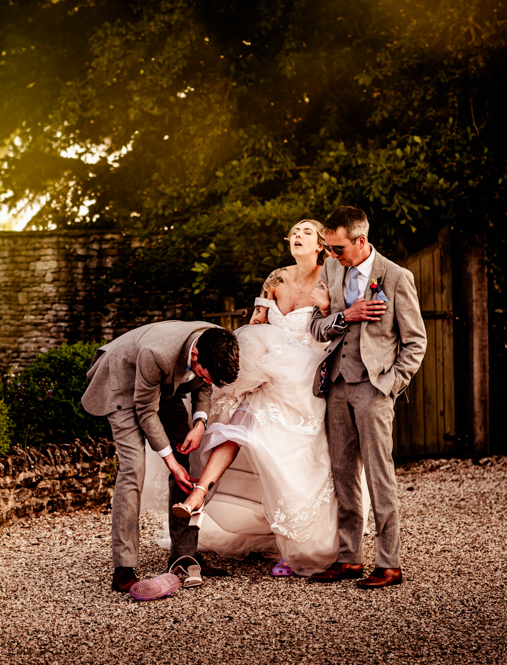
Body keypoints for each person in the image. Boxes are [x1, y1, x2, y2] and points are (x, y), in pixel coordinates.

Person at [155, 219, 368, 577]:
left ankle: (295, 545)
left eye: (305, 233)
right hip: (267, 373)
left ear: (320, 244)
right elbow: (257, 326)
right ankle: (198, 494)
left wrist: (329, 306)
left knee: (291, 457)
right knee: (236, 424)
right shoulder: (275, 278)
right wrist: (255, 340)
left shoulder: (333, 276)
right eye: (294, 232)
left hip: (307, 378)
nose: (297, 237)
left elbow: (337, 328)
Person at [308, 205, 427, 589]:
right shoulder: (330, 270)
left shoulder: (395, 277)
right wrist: (347, 316)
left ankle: (388, 564)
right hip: (337, 385)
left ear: (361, 241)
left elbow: (415, 342)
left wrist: (390, 384)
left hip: (374, 389)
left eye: (338, 248)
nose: (331, 255)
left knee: (379, 476)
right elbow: (316, 326)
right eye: (328, 248)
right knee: (342, 474)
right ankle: (348, 560)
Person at [81, 321, 240, 593]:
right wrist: (170, 462)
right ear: (194, 355)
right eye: (206, 372)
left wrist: (200, 423)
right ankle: (123, 567)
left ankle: (183, 555)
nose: (208, 379)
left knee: (187, 456)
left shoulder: (215, 342)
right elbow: (145, 411)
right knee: (133, 468)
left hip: (162, 387)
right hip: (123, 386)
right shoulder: (156, 353)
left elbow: (204, 384)